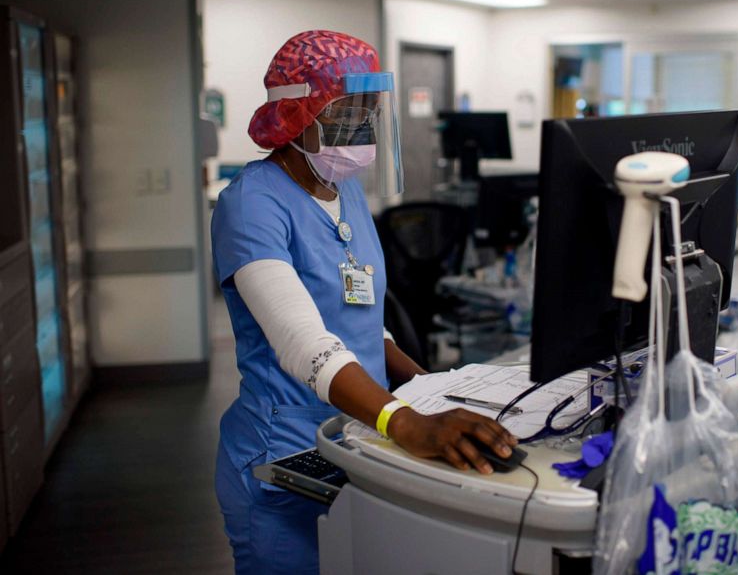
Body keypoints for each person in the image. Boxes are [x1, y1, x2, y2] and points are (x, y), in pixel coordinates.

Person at [211, 30, 517, 574]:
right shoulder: (251, 204)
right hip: (284, 448)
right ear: (295, 115)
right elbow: (305, 342)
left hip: (359, 433)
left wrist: (431, 388)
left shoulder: (342, 188)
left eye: (368, 116)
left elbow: (361, 321)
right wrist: (404, 421)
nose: (360, 131)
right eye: (345, 116)